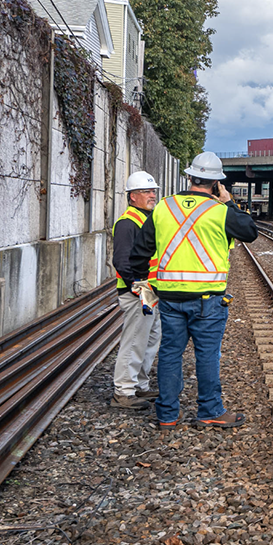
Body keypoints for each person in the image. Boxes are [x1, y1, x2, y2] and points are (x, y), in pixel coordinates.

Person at [129, 152, 258, 429]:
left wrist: (143, 282)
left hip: (170, 299)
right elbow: (250, 231)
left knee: (170, 354)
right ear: (216, 183)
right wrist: (228, 202)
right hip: (207, 301)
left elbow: (139, 253)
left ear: (189, 177)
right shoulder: (221, 211)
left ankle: (167, 416)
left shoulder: (163, 208)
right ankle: (210, 410)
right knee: (207, 356)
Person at [111, 171, 164, 411]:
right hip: (136, 292)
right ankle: (123, 391)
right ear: (133, 197)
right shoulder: (127, 223)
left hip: (148, 292)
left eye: (153, 191)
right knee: (134, 342)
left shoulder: (146, 219)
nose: (152, 195)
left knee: (149, 340)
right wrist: (139, 288)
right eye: (146, 192)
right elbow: (122, 261)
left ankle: (139, 385)